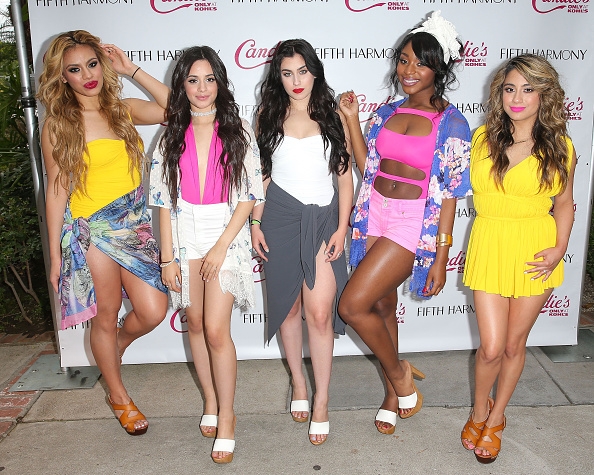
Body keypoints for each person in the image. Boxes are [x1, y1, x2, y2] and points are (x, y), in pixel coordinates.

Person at [338, 11, 471, 435]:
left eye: (421, 63)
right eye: (404, 60)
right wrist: (351, 120)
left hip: (412, 223)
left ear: (439, 69)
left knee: (351, 306)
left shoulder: (452, 122)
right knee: (380, 306)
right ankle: (393, 394)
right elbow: (368, 169)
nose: (409, 71)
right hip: (374, 213)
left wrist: (441, 256)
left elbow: (450, 194)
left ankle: (398, 374)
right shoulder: (386, 111)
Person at [38, 30, 169, 435]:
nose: (88, 75)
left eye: (92, 64)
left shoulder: (122, 110)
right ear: (62, 77)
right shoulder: (57, 126)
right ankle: (119, 396)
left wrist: (132, 70)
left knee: (153, 310)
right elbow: (57, 189)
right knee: (107, 314)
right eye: (75, 70)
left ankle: (118, 346)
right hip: (92, 231)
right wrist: (55, 256)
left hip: (133, 226)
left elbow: (176, 109)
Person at [149, 46, 263, 464]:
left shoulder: (238, 130)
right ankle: (211, 401)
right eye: (193, 80)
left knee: (216, 329)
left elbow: (250, 195)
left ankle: (228, 416)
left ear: (220, 83)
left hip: (225, 231)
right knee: (194, 322)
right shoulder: (170, 134)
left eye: (209, 79)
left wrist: (220, 246)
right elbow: (162, 200)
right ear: (182, 84)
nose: (201, 88)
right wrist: (167, 258)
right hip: (183, 232)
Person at [460, 54, 576, 463]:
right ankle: (479, 409)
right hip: (490, 243)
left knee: (513, 345)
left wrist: (560, 248)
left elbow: (564, 204)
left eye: (528, 89)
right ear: (500, 93)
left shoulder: (561, 147)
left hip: (535, 251)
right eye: (510, 88)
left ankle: (496, 419)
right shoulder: (481, 139)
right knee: (491, 347)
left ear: (545, 95)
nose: (517, 98)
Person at [251, 39, 353, 445]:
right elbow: (261, 177)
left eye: (303, 71)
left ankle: (322, 400)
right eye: (287, 73)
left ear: (315, 72)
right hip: (277, 219)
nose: (296, 80)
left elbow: (344, 178)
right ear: (278, 76)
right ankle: (298, 381)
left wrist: (341, 228)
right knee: (288, 308)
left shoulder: (333, 116)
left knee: (320, 312)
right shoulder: (267, 115)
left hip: (323, 221)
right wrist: (255, 223)